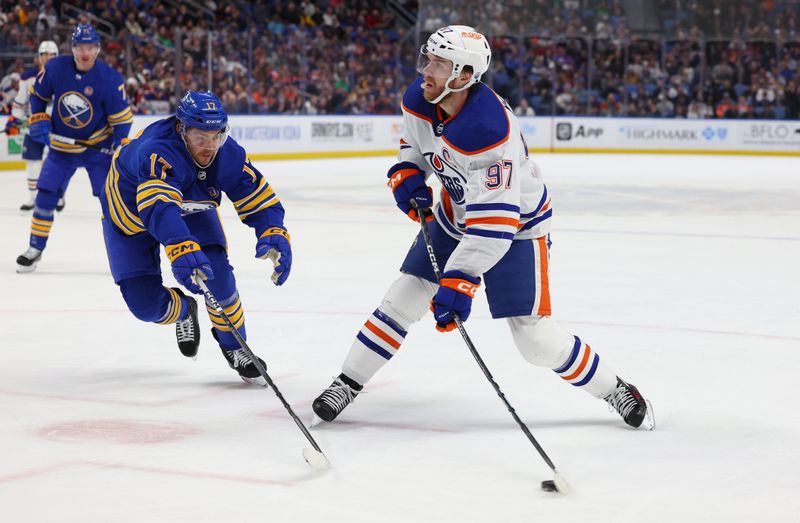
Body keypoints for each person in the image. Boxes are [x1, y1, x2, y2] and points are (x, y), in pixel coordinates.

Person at [311, 26, 654, 430]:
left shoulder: (490, 131)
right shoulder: (422, 97)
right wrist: (407, 170)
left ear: (463, 76)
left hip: (517, 228)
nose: (426, 71)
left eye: (438, 64)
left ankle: (613, 387)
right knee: (402, 298)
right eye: (428, 59)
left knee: (534, 339)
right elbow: (415, 144)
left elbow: (496, 224)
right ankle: (347, 382)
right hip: (455, 216)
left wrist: (460, 279)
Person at [101, 91, 292, 383]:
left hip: (190, 206)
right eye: (201, 138)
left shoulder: (227, 153)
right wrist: (180, 245)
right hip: (130, 216)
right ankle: (184, 310)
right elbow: (159, 209)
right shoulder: (159, 150)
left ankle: (235, 347)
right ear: (182, 128)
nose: (210, 146)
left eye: (216, 136)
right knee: (144, 305)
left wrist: (273, 230)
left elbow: (258, 197)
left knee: (217, 279)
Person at [15, 24, 132, 273]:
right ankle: (35, 248)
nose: (85, 52)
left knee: (111, 202)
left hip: (97, 150)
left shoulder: (110, 79)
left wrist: (119, 146)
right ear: (72, 48)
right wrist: (38, 117)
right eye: (80, 46)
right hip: (61, 150)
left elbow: (122, 121)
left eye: (90, 46)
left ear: (98, 49)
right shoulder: (56, 68)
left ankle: (122, 256)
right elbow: (37, 95)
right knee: (45, 197)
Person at [6, 40, 61, 212]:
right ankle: (32, 198)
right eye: (45, 54)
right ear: (39, 57)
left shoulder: (66, 77)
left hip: (58, 130)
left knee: (58, 163)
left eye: (52, 55)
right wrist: (17, 118)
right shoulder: (28, 78)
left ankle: (58, 197)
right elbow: (20, 103)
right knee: (33, 162)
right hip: (34, 128)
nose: (48, 58)